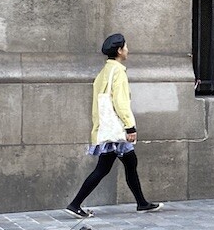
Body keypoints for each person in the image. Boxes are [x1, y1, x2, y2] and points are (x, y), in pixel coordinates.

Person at [65, 33, 161, 217]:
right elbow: (120, 101)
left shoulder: (104, 72)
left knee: (128, 163)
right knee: (106, 168)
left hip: (107, 128)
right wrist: (130, 127)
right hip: (117, 130)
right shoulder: (118, 72)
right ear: (119, 50)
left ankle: (141, 203)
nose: (128, 50)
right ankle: (75, 204)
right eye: (126, 47)